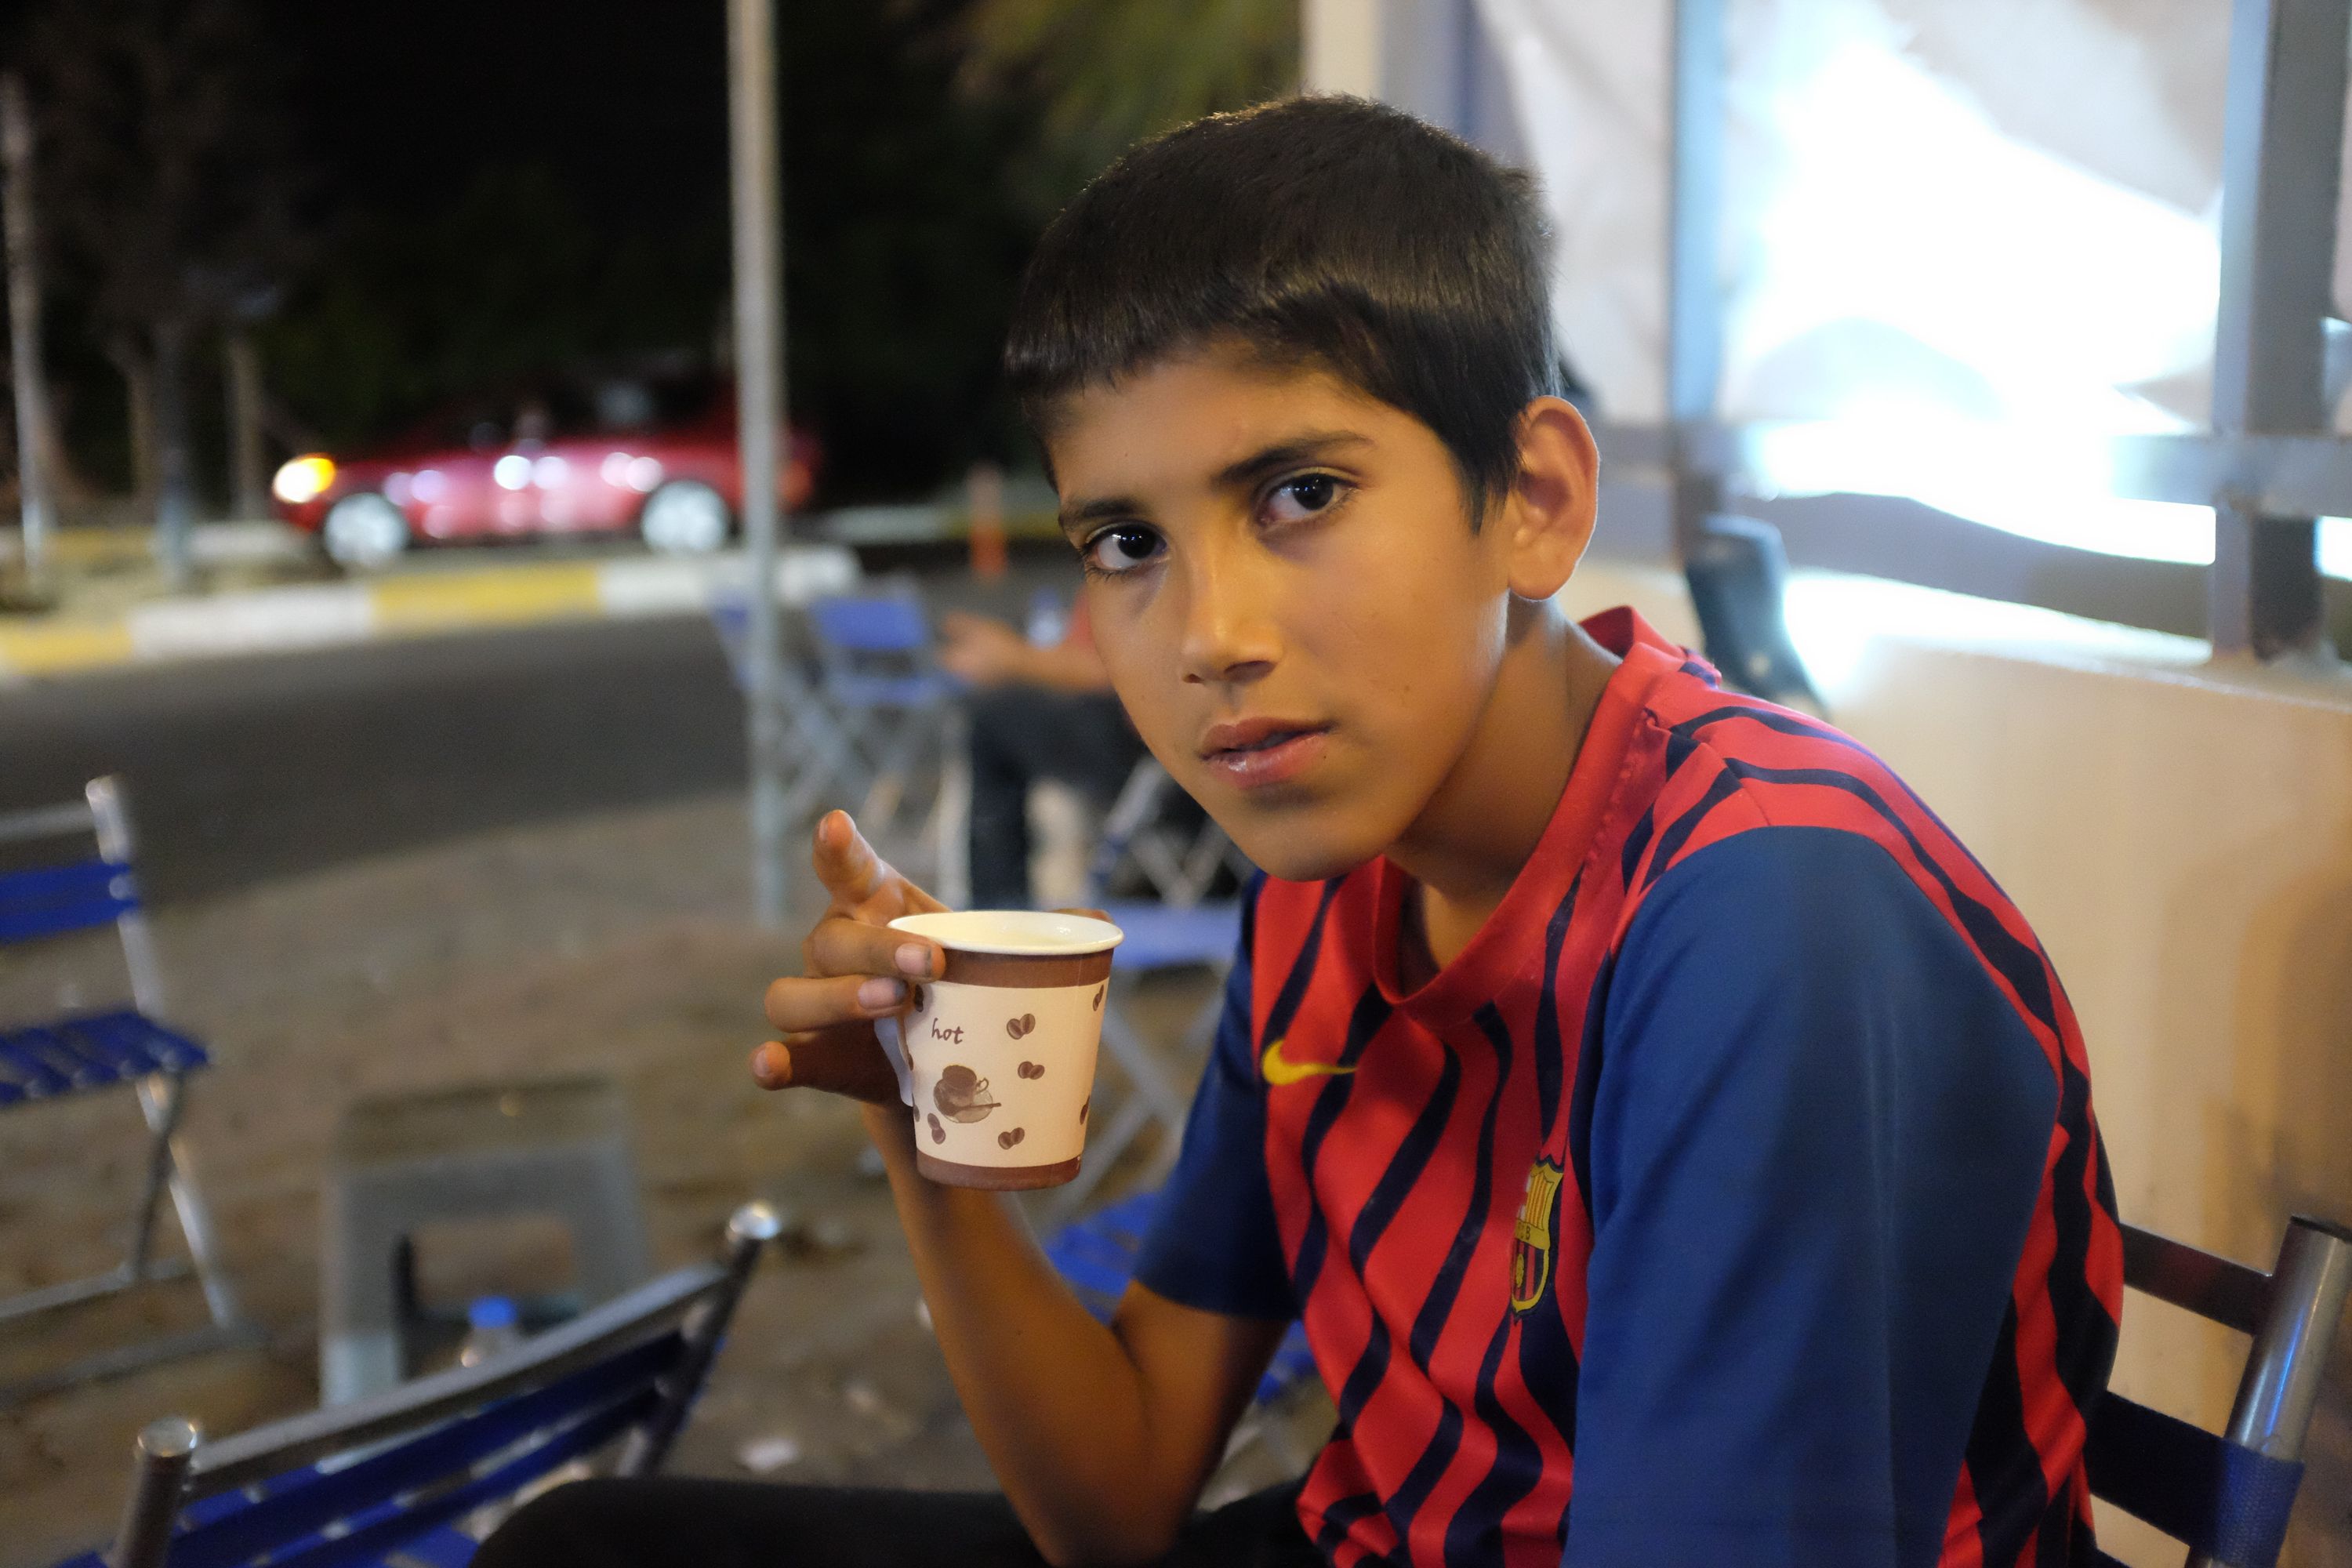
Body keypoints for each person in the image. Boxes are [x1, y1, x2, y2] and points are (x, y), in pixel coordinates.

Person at [480, 96, 2120, 1568]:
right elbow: (1118, 1501)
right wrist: (930, 1147)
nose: (1208, 634)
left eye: (1299, 496)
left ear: (1535, 498)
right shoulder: (1330, 891)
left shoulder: (1770, 915)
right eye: (1128, 539)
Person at [936, 600, 1147, 909]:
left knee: (993, 716)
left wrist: (1014, 658)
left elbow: (1121, 671)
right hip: (1107, 716)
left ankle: (995, 911)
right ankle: (996, 911)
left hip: (1141, 738)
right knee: (993, 711)